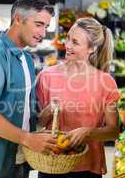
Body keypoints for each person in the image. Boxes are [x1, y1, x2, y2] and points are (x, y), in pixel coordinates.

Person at [0, 0, 58, 178]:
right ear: (18, 19)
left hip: (18, 159)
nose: (42, 33)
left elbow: (19, 112)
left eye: (46, 26)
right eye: (38, 24)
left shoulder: (26, 59)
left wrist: (42, 116)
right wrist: (27, 138)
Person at [36, 17, 120, 178]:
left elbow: (113, 131)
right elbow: (39, 124)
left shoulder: (105, 82)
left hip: (87, 167)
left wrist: (88, 132)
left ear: (92, 48)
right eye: (68, 38)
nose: (67, 45)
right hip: (52, 164)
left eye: (75, 42)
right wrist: (48, 110)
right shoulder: (47, 76)